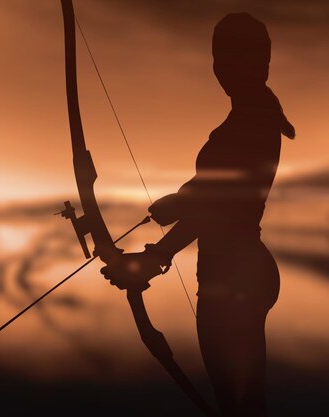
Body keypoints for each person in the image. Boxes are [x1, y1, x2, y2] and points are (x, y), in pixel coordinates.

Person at [101, 12, 294, 417]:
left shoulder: (250, 123)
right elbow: (212, 201)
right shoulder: (253, 118)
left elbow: (219, 204)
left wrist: (157, 254)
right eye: (218, 57)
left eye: (231, 57)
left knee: (239, 407)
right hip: (239, 271)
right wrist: (169, 230)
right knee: (242, 404)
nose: (222, 67)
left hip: (233, 276)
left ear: (261, 63)